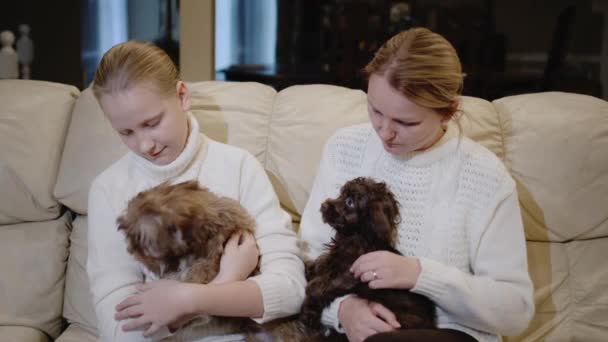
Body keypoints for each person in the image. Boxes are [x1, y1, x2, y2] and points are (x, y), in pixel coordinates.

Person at [299, 27, 534, 342]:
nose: (384, 132)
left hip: (446, 333)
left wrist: (421, 275)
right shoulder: (344, 148)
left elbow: (515, 311)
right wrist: (342, 310)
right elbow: (305, 261)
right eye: (375, 110)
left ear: (448, 111)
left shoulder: (485, 176)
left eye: (406, 122)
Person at [87, 40, 306, 341]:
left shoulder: (239, 167)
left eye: (152, 123)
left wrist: (186, 301)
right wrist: (226, 281)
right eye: (126, 132)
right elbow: (119, 332)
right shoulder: (108, 189)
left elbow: (290, 290)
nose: (144, 145)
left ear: (182, 95)